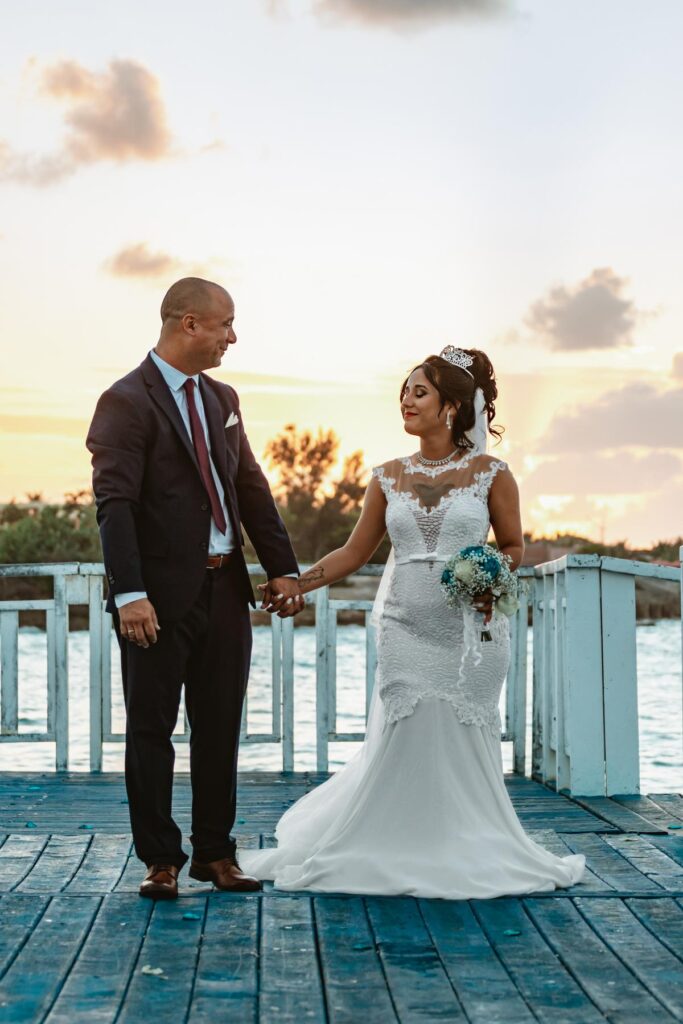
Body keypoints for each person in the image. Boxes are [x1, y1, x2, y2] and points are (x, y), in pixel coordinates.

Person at [243, 345, 586, 898]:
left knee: (457, 738)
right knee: (408, 730)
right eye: (404, 391)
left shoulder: (492, 474)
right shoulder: (387, 477)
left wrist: (490, 574)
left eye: (419, 391)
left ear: (451, 405)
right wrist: (295, 583)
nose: (406, 399)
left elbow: (515, 545)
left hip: (470, 632)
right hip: (404, 625)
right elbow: (354, 553)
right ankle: (387, 844)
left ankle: (463, 843)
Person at [86, 277, 303, 900]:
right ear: (188, 323)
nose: (232, 337)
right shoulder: (124, 400)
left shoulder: (223, 397)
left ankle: (215, 854)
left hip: (225, 590)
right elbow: (116, 505)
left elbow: (251, 487)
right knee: (150, 733)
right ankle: (160, 860)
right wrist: (129, 592)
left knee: (219, 727)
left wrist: (281, 566)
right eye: (225, 325)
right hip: (154, 600)